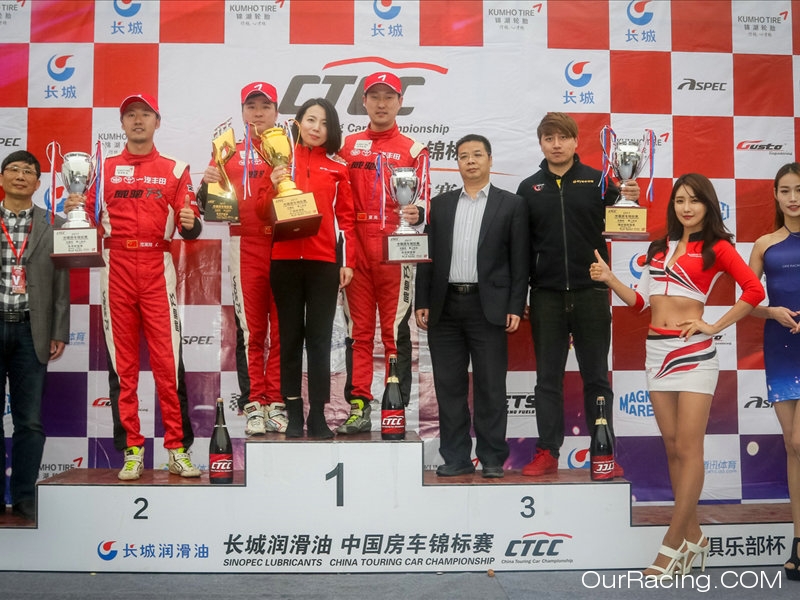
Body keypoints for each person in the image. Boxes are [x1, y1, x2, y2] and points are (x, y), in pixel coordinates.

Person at [589, 173, 764, 578]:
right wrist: (610, 278)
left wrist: (713, 326)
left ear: (708, 205)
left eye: (695, 200)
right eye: (680, 200)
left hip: (694, 354)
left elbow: (754, 291)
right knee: (672, 447)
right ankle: (695, 535)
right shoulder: (658, 248)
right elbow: (640, 304)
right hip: (656, 353)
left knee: (689, 447)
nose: (687, 207)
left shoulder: (717, 248)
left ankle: (672, 543)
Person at [65, 93, 203, 481]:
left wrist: (191, 222)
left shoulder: (176, 168)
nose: (138, 120)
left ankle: (177, 450)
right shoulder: (102, 169)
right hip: (116, 270)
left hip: (158, 269)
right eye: (130, 115)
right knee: (122, 368)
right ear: (122, 123)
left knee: (168, 366)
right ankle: (131, 451)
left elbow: (192, 227)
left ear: (157, 121)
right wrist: (74, 208)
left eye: (145, 114)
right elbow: (86, 224)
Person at [516, 112, 638, 477]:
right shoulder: (528, 188)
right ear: (541, 143)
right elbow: (519, 248)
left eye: (562, 137)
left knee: (596, 377)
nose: (556, 145)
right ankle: (547, 452)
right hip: (546, 295)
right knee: (547, 379)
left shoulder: (599, 181)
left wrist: (629, 195)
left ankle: (603, 450)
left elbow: (627, 221)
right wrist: (521, 296)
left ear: (575, 141)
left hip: (591, 293)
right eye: (548, 138)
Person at [415, 135, 528, 478]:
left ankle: (492, 458)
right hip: (444, 307)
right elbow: (427, 256)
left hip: (488, 307)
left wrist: (515, 304)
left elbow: (520, 260)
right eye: (464, 156)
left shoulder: (511, 204)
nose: (471, 161)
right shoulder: (440, 205)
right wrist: (422, 300)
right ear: (458, 164)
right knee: (449, 386)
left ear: (490, 160)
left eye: (477, 155)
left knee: (490, 386)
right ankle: (456, 458)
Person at [338, 71, 430, 434]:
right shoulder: (347, 146)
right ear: (363, 102)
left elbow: (424, 200)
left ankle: (396, 408)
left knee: (394, 331)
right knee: (358, 332)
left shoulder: (413, 149)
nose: (381, 103)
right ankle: (358, 407)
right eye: (374, 96)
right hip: (355, 247)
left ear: (400, 102)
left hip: (396, 245)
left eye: (388, 97)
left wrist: (417, 212)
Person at [261, 98, 356, 439]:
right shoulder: (280, 159)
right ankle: (293, 414)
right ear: (297, 123)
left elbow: (346, 220)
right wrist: (273, 182)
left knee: (318, 341)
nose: (317, 128)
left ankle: (317, 415)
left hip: (323, 264)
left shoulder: (338, 167)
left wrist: (346, 262)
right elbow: (261, 211)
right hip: (284, 261)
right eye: (311, 120)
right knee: (289, 339)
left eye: (325, 123)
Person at [197, 82, 286, 436]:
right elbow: (207, 206)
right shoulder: (227, 149)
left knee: (283, 329)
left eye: (265, 106)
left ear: (276, 111)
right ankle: (254, 403)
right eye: (252, 106)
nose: (258, 113)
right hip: (245, 243)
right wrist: (207, 183)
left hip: (285, 244)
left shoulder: (290, 146)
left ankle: (277, 401)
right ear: (242, 111)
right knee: (251, 330)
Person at [0, 151, 70, 520]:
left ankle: (25, 495)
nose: (21, 176)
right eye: (13, 169)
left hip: (32, 330)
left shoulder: (54, 224)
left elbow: (61, 283)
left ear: (38, 183)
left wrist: (58, 330)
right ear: (2, 178)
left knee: (29, 421)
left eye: (28, 171)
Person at [747, 162, 800, 582]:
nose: (793, 198)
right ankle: (799, 540)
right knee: (793, 447)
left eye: (799, 189)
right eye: (785, 190)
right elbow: (747, 302)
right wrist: (772, 311)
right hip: (781, 348)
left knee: (799, 439)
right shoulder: (765, 244)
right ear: (776, 195)